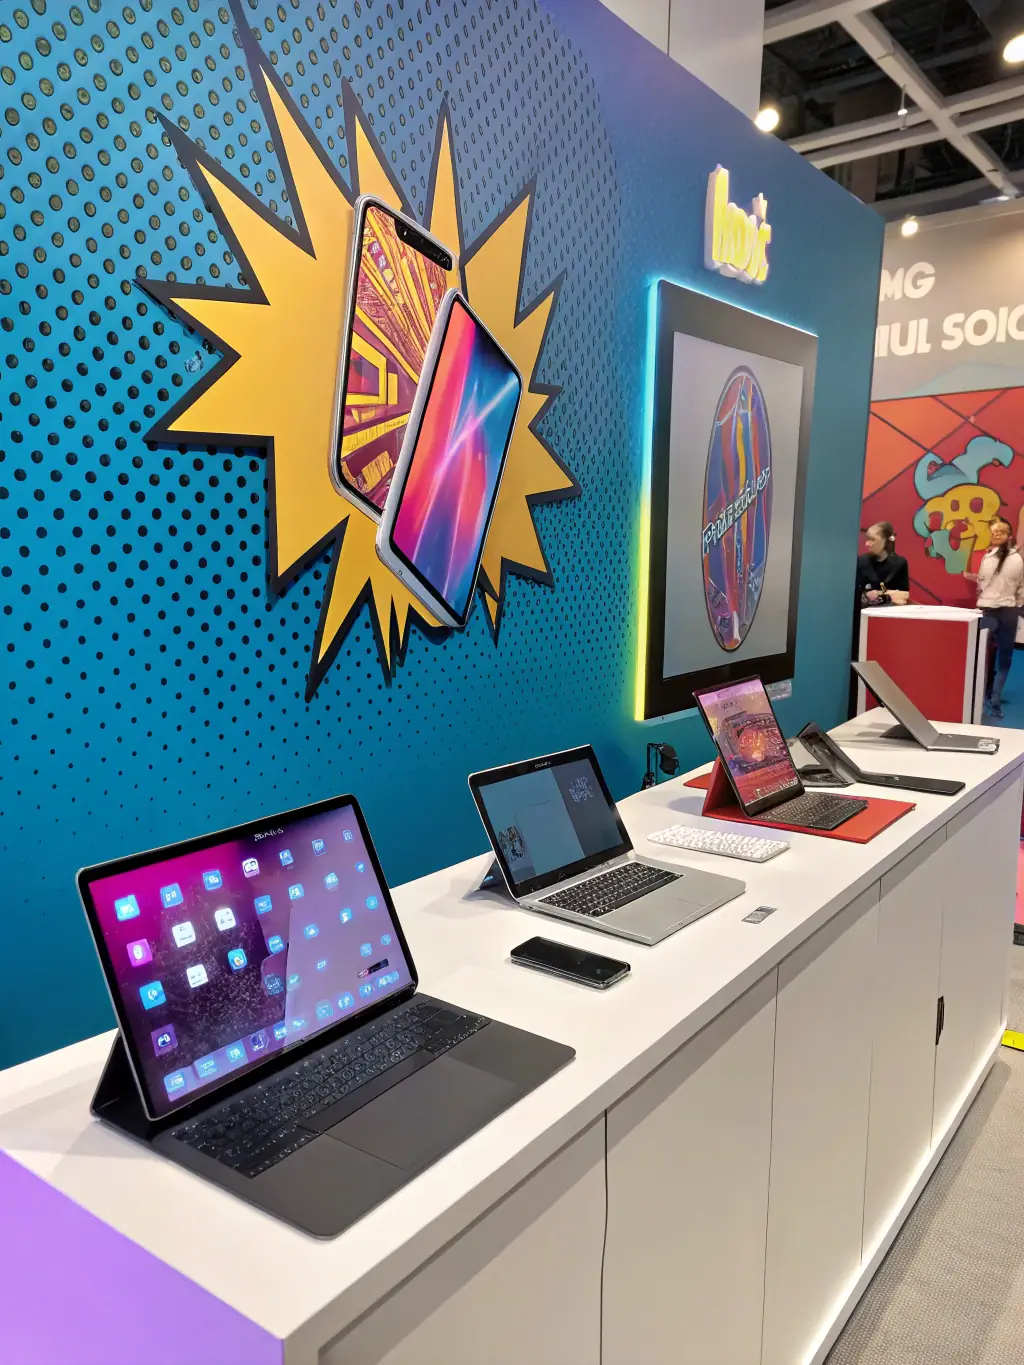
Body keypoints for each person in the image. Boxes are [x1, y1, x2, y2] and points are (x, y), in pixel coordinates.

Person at [969, 515, 1024, 720]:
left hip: (1004, 611)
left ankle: (994, 698)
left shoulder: (1015, 559)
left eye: (1000, 532)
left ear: (1009, 535)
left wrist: (1017, 604)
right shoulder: (989, 557)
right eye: (994, 532)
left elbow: (1020, 586)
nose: (996, 535)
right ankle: (987, 693)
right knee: (990, 655)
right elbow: (983, 583)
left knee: (1003, 656)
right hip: (991, 611)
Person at [855, 522, 910, 606]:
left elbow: (904, 596)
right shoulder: (861, 562)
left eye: (872, 539)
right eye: (867, 539)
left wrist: (878, 594)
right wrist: (890, 595)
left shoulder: (900, 563)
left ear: (886, 541)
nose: (867, 544)